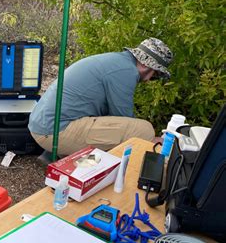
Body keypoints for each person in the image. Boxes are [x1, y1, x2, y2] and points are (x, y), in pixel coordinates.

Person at [28, 38, 174, 157]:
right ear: (144, 64)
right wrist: (151, 140)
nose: (149, 79)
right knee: (144, 129)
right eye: (154, 73)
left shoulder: (117, 61)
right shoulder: (127, 71)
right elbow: (125, 118)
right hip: (53, 132)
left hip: (43, 125)